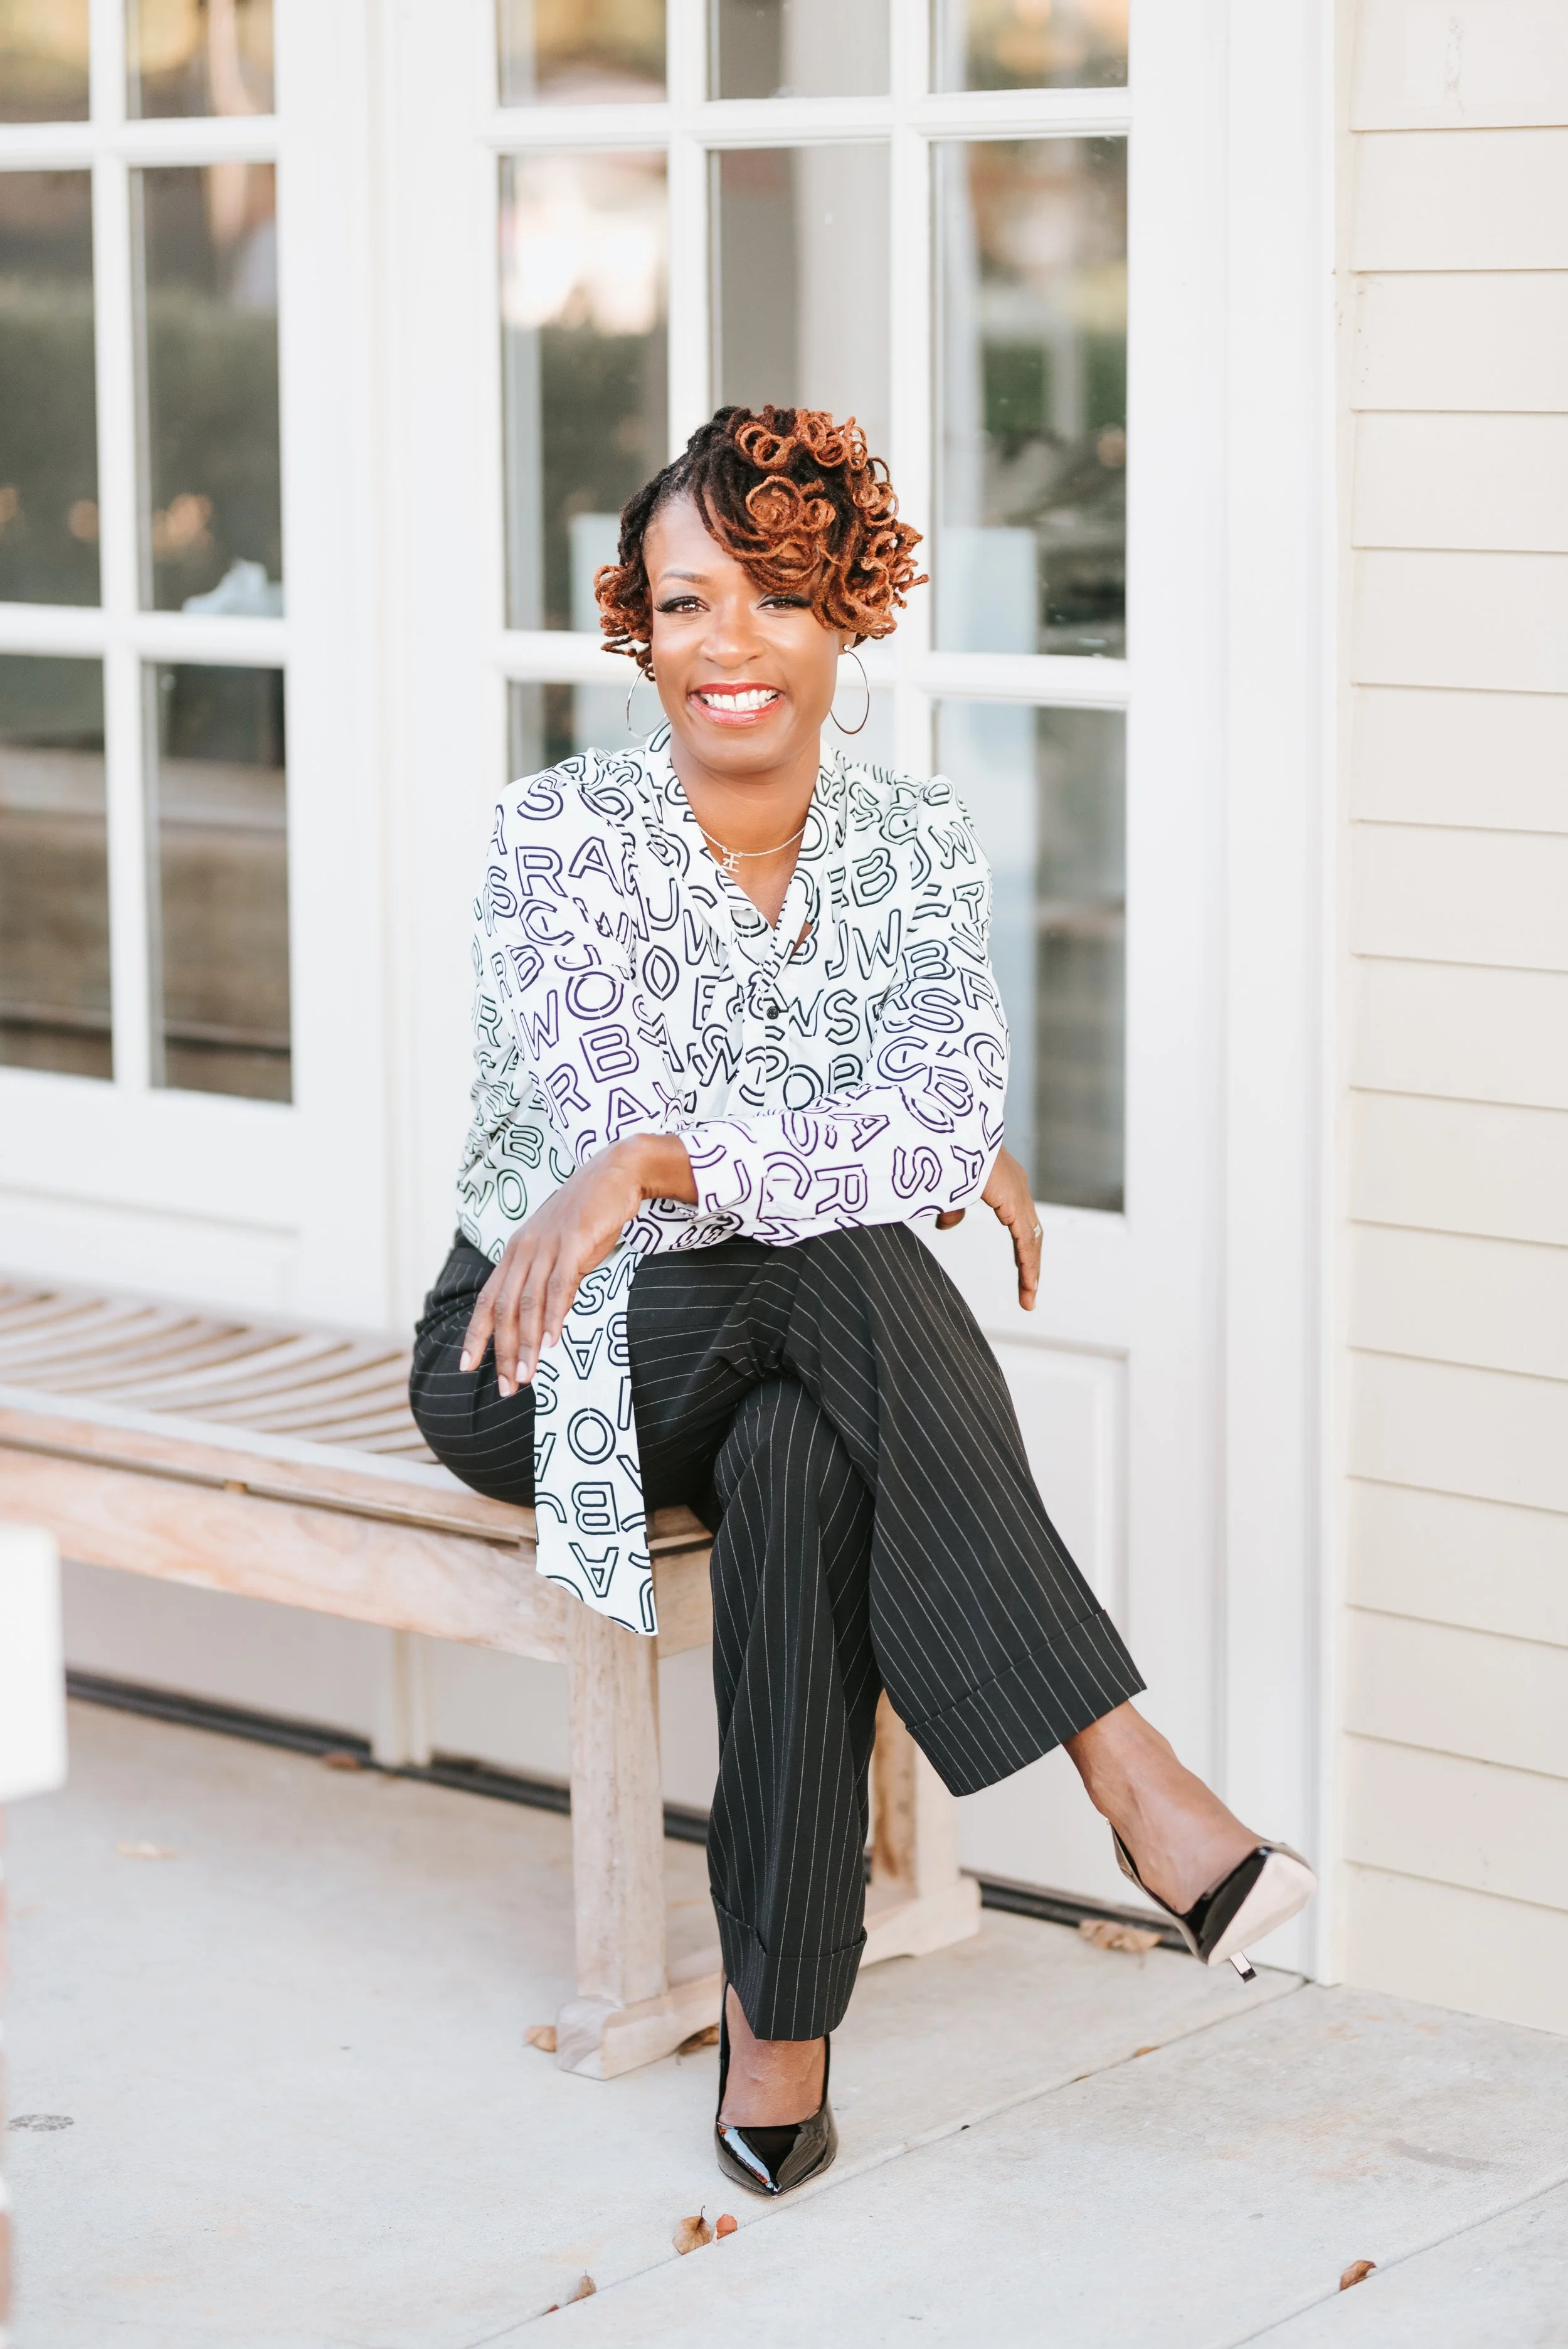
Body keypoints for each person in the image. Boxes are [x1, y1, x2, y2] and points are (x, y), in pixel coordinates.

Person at [409, 405, 1315, 2199]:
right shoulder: (558, 842)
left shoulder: (911, 842)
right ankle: (1123, 1768)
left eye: (771, 598)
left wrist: (685, 1157)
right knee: (846, 1252)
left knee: (808, 1445)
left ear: (846, 619)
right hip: (536, 1352)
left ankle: (781, 2012)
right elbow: (721, 1169)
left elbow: (916, 1109)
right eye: (682, 605)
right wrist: (818, 1157)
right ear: (636, 627)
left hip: (768, 1329)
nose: (724, 645)